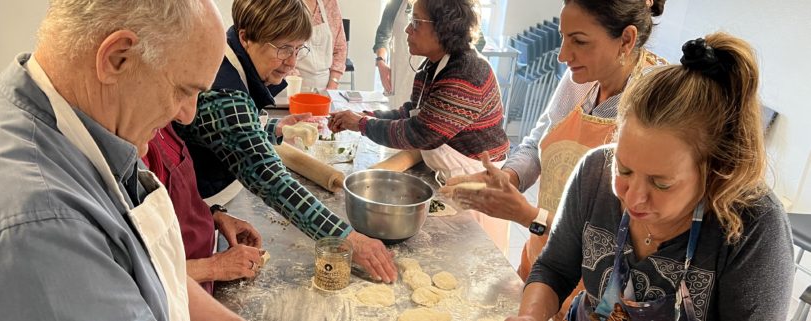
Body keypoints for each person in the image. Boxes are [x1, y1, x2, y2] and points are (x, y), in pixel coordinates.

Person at [0, 0, 246, 320]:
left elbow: (152, 273)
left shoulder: (88, 121)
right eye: (184, 90)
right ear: (117, 58)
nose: (187, 114)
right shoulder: (41, 227)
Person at [506, 33, 794, 321]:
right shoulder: (595, 170)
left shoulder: (754, 225)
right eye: (624, 170)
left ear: (715, 170)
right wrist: (530, 316)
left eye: (661, 183)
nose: (632, 198)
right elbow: (555, 268)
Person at [443, 1, 667, 316]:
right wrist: (506, 179)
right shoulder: (581, 81)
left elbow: (627, 237)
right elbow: (538, 144)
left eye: (579, 41)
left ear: (626, 40)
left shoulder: (654, 108)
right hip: (542, 269)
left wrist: (529, 216)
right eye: (563, 37)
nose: (562, 54)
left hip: (594, 295)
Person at [176, 0, 397, 283]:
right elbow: (269, 177)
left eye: (297, 49)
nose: (292, 62)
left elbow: (226, 136)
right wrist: (347, 238)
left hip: (209, 207)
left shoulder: (231, 56)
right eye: (283, 48)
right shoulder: (225, 93)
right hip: (190, 212)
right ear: (245, 36)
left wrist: (274, 130)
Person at [330, 0, 511, 251]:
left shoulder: (466, 75)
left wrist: (362, 124)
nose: (407, 30)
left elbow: (420, 132)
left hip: (476, 192)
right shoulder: (434, 65)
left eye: (416, 22)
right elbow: (410, 112)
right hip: (449, 180)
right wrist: (364, 115)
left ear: (443, 28)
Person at [142, 124, 264, 294]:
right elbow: (143, 277)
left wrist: (213, 215)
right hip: (179, 298)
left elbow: (176, 201)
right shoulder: (136, 151)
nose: (188, 116)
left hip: (203, 282)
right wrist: (215, 266)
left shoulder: (165, 127)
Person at [373, 0, 486, 107]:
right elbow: (382, 36)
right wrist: (381, 62)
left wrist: (450, 63)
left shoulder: (457, 79)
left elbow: (476, 40)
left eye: (416, 22)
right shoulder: (423, 72)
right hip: (400, 73)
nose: (407, 29)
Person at [295, 0, 347, 91]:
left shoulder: (330, 3)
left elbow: (340, 48)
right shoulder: (284, 4)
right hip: (291, 87)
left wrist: (332, 86)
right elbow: (279, 50)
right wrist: (300, 87)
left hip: (325, 89)